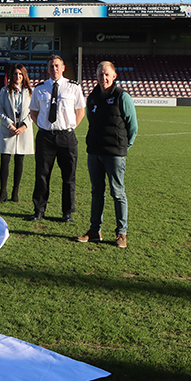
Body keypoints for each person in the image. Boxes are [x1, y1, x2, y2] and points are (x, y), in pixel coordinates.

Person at [77, 61, 138, 248]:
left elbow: (132, 126)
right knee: (97, 192)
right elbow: (91, 121)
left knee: (117, 193)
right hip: (94, 152)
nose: (103, 78)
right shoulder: (92, 97)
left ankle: (121, 233)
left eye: (106, 75)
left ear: (114, 76)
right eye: (100, 75)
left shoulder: (122, 97)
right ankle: (95, 230)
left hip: (115, 154)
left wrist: (123, 147)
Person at [28, 55, 86, 222]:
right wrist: (43, 127)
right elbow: (33, 112)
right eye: (51, 66)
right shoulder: (40, 88)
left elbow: (80, 110)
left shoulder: (73, 87)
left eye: (57, 66)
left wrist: (71, 127)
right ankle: (39, 210)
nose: (54, 69)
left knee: (69, 176)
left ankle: (67, 212)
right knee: (42, 175)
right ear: (48, 69)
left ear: (63, 68)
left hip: (66, 136)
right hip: (45, 137)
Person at [0, 64, 34, 203]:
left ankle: (15, 192)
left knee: (19, 161)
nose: (17, 77)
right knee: (4, 161)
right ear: (11, 75)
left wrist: (24, 126)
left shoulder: (30, 92)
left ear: (24, 76)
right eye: (15, 74)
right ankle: (3, 192)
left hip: (23, 130)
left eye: (20, 74)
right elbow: (0, 110)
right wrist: (9, 124)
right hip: (8, 129)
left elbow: (33, 111)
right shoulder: (4, 91)